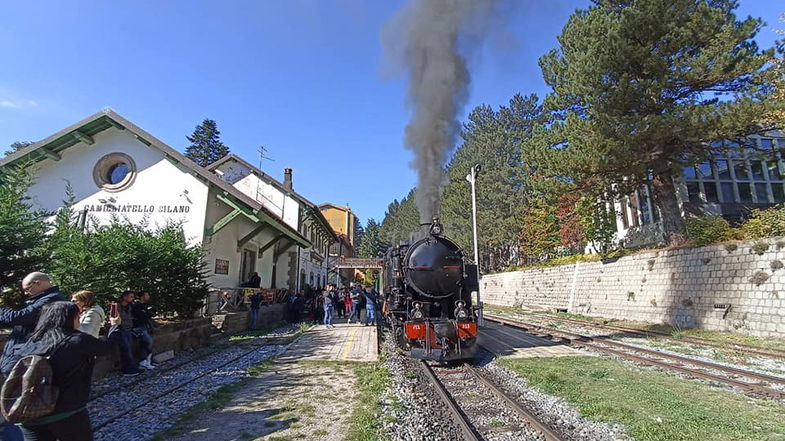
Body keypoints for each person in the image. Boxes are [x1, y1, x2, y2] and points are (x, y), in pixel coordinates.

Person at [15, 301, 117, 441]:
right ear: (70, 318)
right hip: (66, 411)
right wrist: (114, 326)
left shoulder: (29, 344)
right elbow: (107, 347)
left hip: (30, 413)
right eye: (78, 316)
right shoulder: (77, 341)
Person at [0, 272, 63, 441]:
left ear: (38, 283)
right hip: (19, 357)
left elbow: (18, 317)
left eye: (27, 288)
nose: (26, 292)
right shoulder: (40, 300)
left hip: (25, 359)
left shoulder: (51, 300)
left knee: (15, 406)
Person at [115, 291, 143, 376]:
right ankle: (128, 370)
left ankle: (131, 367)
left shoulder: (129, 307)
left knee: (129, 349)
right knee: (125, 350)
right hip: (121, 330)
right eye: (131, 296)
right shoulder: (116, 307)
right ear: (124, 297)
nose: (132, 298)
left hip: (128, 329)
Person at [132, 291, 156, 370]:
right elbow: (142, 315)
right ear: (142, 297)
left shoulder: (144, 305)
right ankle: (145, 360)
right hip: (138, 326)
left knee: (144, 343)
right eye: (147, 295)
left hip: (144, 326)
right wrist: (147, 314)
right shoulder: (136, 305)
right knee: (148, 341)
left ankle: (145, 360)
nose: (148, 296)